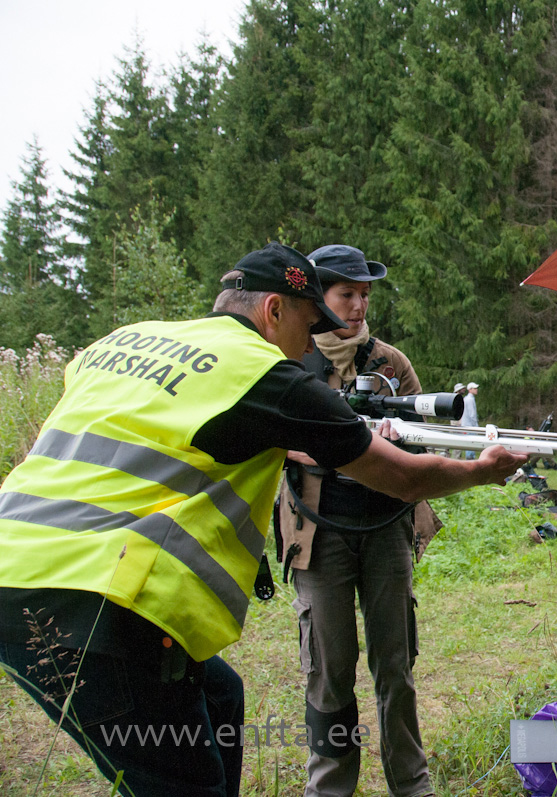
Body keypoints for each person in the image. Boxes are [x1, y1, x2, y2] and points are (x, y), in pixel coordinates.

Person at [0, 242, 526, 797]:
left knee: (222, 697)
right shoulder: (266, 375)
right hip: (102, 601)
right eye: (307, 322)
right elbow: (405, 478)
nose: (307, 345)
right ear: (273, 311)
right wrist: (482, 471)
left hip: (14, 562)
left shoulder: (121, 341)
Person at [278, 244, 440, 797]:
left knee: (395, 665)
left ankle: (411, 783)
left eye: (365, 295)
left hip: (387, 526)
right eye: (346, 293)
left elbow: (425, 443)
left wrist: (402, 440)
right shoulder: (290, 363)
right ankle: (329, 787)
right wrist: (334, 446)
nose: (358, 305)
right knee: (329, 667)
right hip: (318, 530)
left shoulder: (390, 363)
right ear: (318, 299)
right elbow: (270, 438)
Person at [461, 381, 480, 460]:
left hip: (466, 424)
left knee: (469, 443)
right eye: (474, 388)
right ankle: (470, 460)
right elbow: (472, 414)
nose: (476, 390)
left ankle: (470, 459)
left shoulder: (466, 399)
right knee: (471, 443)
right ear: (470, 389)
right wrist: (475, 425)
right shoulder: (470, 400)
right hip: (470, 425)